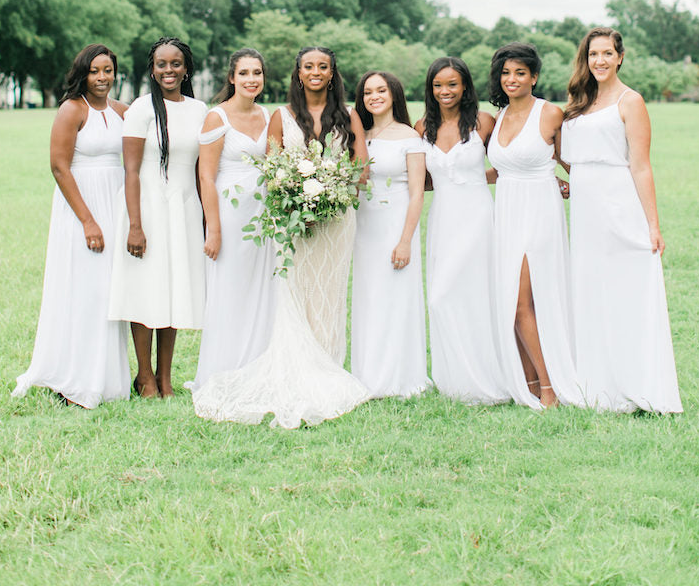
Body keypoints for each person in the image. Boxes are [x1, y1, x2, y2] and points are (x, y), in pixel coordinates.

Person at [192, 46, 370, 427]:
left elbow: (360, 166)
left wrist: (334, 196)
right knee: (294, 289)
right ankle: (293, 362)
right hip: (291, 220)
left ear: (333, 72)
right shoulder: (281, 116)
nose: (316, 72)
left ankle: (328, 363)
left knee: (330, 291)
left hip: (337, 220)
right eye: (309, 66)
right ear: (298, 72)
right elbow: (274, 171)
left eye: (323, 66)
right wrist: (296, 202)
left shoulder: (349, 115)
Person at [562, 27, 682, 412]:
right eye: (593, 54)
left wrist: (653, 224)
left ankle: (638, 384)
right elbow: (573, 154)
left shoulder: (631, 101)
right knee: (590, 291)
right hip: (584, 209)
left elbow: (641, 166)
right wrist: (569, 181)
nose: (599, 60)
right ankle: (598, 386)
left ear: (620, 57)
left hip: (618, 204)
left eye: (607, 53)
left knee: (625, 292)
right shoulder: (579, 102)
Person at [13, 44, 130, 408]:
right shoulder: (72, 110)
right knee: (85, 290)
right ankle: (73, 377)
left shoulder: (122, 111)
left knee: (110, 293)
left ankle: (109, 378)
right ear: (83, 73)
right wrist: (88, 221)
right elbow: (60, 167)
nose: (102, 78)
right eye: (95, 71)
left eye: (108, 70)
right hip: (83, 209)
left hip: (116, 206)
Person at [108, 37, 207, 398]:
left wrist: (206, 217)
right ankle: (145, 375)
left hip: (183, 208)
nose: (169, 70)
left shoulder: (199, 110)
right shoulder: (140, 109)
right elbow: (131, 171)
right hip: (147, 207)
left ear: (186, 68)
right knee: (145, 287)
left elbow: (201, 168)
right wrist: (135, 225)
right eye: (162, 64)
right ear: (152, 68)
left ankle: (166, 377)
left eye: (176, 63)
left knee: (175, 288)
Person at [487, 42, 582, 410]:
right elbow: (503, 169)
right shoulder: (498, 119)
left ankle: (549, 389)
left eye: (520, 73)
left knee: (522, 301)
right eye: (506, 73)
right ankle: (528, 381)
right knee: (512, 301)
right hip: (506, 212)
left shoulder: (550, 114)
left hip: (539, 214)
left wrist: (569, 184)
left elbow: (572, 164)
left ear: (534, 76)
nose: (512, 79)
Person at [416, 57, 509, 405]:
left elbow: (505, 166)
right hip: (443, 220)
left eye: (452, 84)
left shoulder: (484, 121)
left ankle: (490, 377)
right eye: (438, 85)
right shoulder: (421, 126)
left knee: (478, 295)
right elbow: (419, 181)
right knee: (441, 297)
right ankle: (454, 379)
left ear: (465, 86)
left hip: (478, 218)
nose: (445, 91)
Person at [188, 49, 276, 391]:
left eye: (257, 73)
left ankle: (258, 363)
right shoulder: (216, 118)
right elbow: (206, 176)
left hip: (263, 213)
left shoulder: (268, 114)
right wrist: (214, 228)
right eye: (244, 73)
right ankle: (224, 369)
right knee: (230, 288)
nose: (251, 79)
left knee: (262, 287)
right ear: (232, 78)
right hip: (229, 212)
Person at [351, 71, 429, 399]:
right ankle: (365, 375)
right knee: (369, 299)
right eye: (368, 92)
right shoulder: (359, 135)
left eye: (381, 90)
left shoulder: (409, 137)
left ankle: (398, 377)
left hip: (396, 224)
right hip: (364, 228)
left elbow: (417, 193)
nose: (374, 97)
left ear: (393, 94)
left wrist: (406, 240)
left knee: (395, 299)